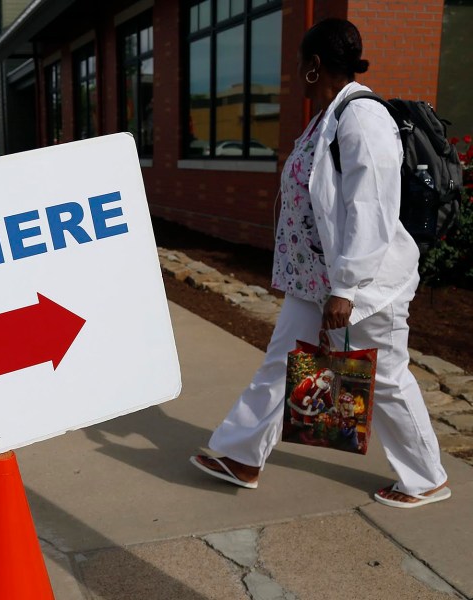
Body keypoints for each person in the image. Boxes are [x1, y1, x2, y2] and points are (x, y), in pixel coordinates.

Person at [190, 18, 450, 509]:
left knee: (388, 378)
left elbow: (371, 209)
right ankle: (240, 455)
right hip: (316, 279)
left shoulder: (362, 118)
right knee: (282, 363)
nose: (294, 72)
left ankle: (427, 477)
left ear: (314, 66)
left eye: (297, 64)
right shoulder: (329, 114)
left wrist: (346, 289)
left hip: (366, 285)